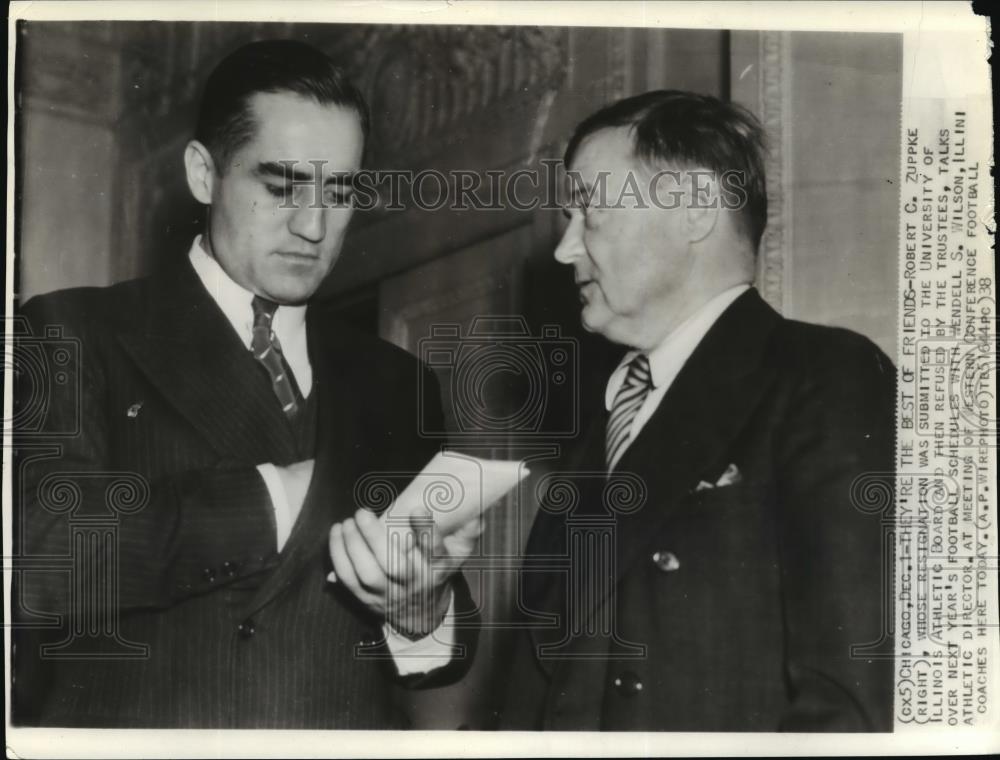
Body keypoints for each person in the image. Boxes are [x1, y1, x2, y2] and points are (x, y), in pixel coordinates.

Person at [12, 39, 478, 729]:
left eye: (339, 191)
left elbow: (444, 648)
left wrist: (420, 610)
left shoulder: (395, 380)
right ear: (204, 174)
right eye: (283, 185)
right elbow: (43, 553)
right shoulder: (76, 330)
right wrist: (283, 497)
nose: (314, 226)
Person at [499, 90, 895, 731]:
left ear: (694, 209)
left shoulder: (825, 378)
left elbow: (855, 703)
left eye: (591, 213)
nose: (564, 249)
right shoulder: (598, 438)